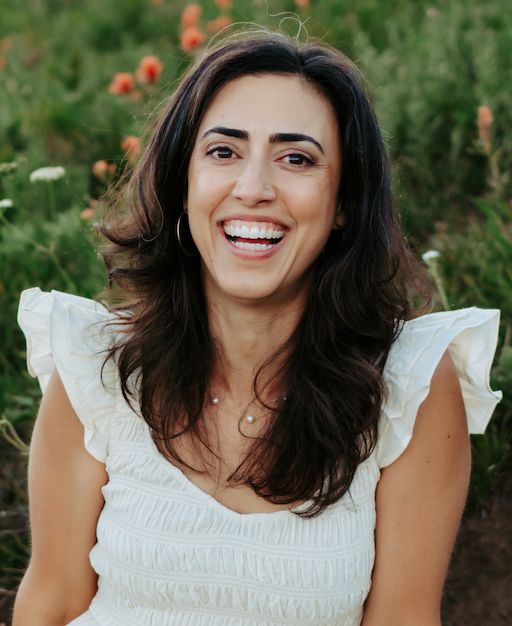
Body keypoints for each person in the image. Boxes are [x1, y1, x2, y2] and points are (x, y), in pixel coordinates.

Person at [13, 30, 502, 626]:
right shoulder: (96, 366)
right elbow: (51, 604)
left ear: (344, 202)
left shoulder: (409, 387)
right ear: (182, 182)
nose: (253, 189)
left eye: (296, 159)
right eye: (223, 152)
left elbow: (404, 617)